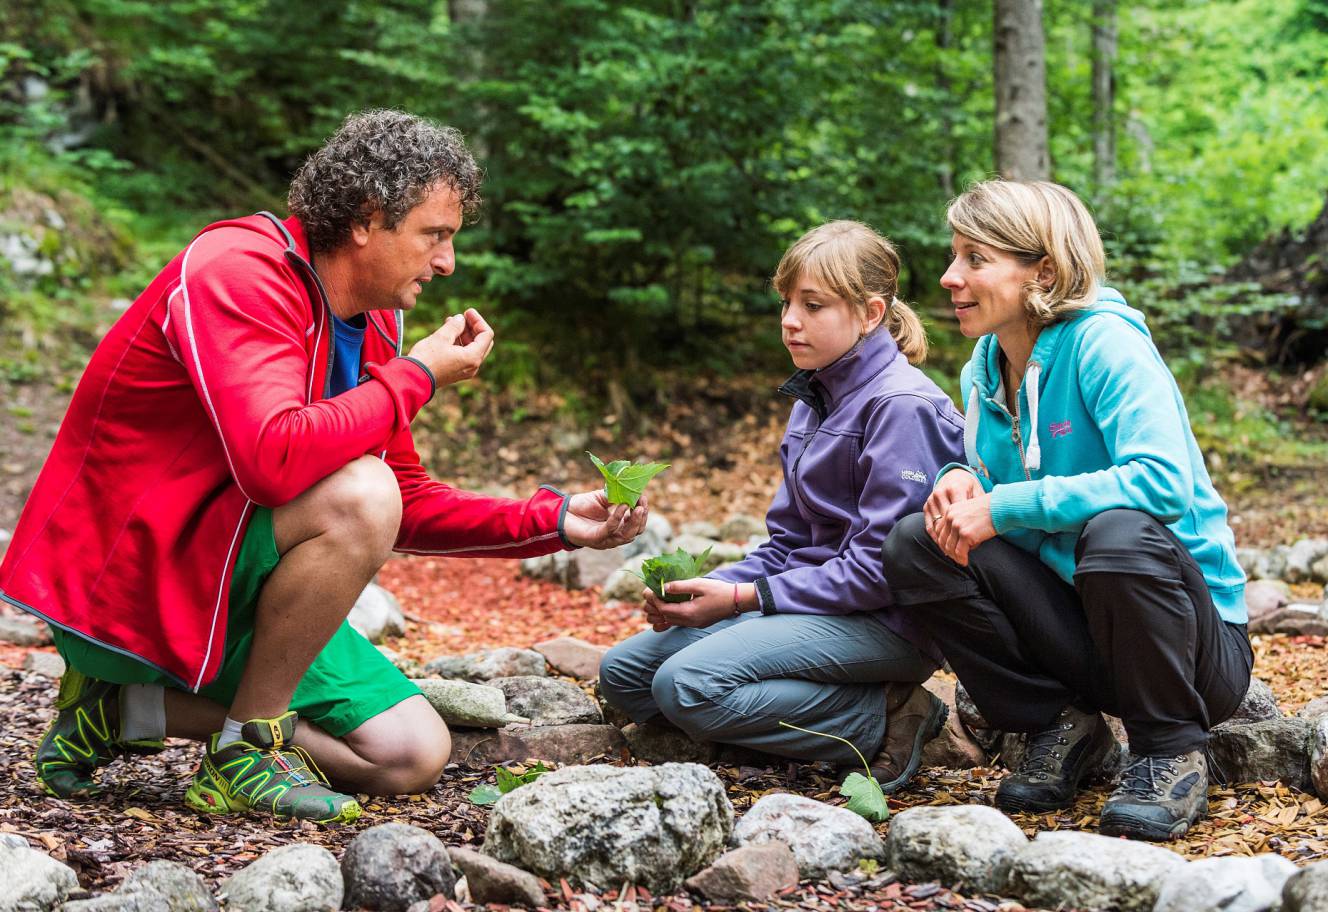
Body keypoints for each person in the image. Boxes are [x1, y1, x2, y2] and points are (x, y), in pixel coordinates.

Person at [1, 110, 647, 824]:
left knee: (409, 754)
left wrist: (553, 521)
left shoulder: (373, 322)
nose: (446, 264)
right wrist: (418, 378)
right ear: (369, 219)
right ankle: (247, 748)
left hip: (239, 574)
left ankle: (123, 709)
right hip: (136, 578)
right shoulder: (239, 273)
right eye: (435, 236)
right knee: (360, 497)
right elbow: (274, 462)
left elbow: (404, 498)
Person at [881, 180, 1252, 840]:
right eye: (953, 256)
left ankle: (1169, 750)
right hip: (1079, 629)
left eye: (973, 259)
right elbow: (1000, 475)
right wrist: (960, 478)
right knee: (919, 539)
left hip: (1192, 652)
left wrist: (1006, 506)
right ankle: (1062, 723)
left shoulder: (1105, 344)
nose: (948, 277)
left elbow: (1162, 483)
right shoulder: (983, 368)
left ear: (1042, 270)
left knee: (1118, 533)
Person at [598, 221, 965, 790]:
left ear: (870, 314)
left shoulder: (902, 408)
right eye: (788, 302)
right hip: (809, 603)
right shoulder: (813, 397)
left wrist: (744, 600)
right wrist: (708, 591)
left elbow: (882, 571)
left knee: (685, 686)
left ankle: (888, 715)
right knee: (624, 675)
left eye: (813, 305)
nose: (790, 320)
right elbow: (788, 544)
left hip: (886, 622)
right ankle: (816, 707)